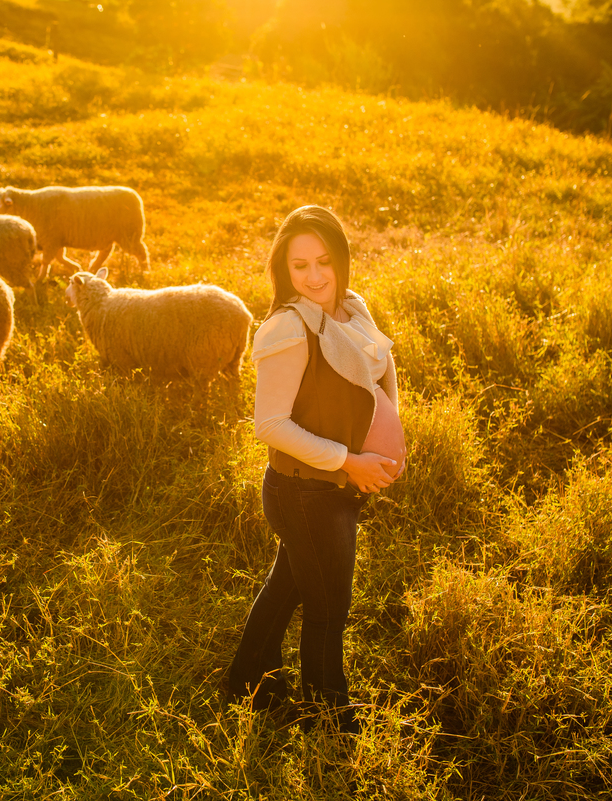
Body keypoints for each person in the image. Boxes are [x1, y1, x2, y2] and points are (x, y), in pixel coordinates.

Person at [224, 205, 406, 734]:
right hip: (304, 492)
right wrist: (350, 460)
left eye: (324, 261)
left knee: (290, 585)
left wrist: (390, 438)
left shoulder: (351, 310)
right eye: (299, 265)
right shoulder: (288, 328)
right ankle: (331, 716)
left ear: (342, 260)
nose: (315, 276)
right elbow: (271, 425)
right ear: (283, 269)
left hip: (334, 488)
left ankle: (244, 679)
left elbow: (377, 374)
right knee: (329, 606)